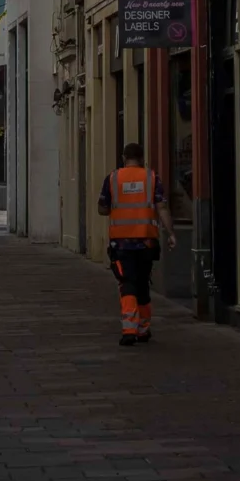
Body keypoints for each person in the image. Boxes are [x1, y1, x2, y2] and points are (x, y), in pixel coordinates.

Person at [99, 138, 175, 345]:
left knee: (127, 283)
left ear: (124, 158)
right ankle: (143, 329)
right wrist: (171, 233)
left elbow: (102, 209)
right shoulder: (151, 178)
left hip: (121, 244)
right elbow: (162, 208)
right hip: (146, 243)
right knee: (142, 283)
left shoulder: (112, 179)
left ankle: (129, 330)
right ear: (142, 159)